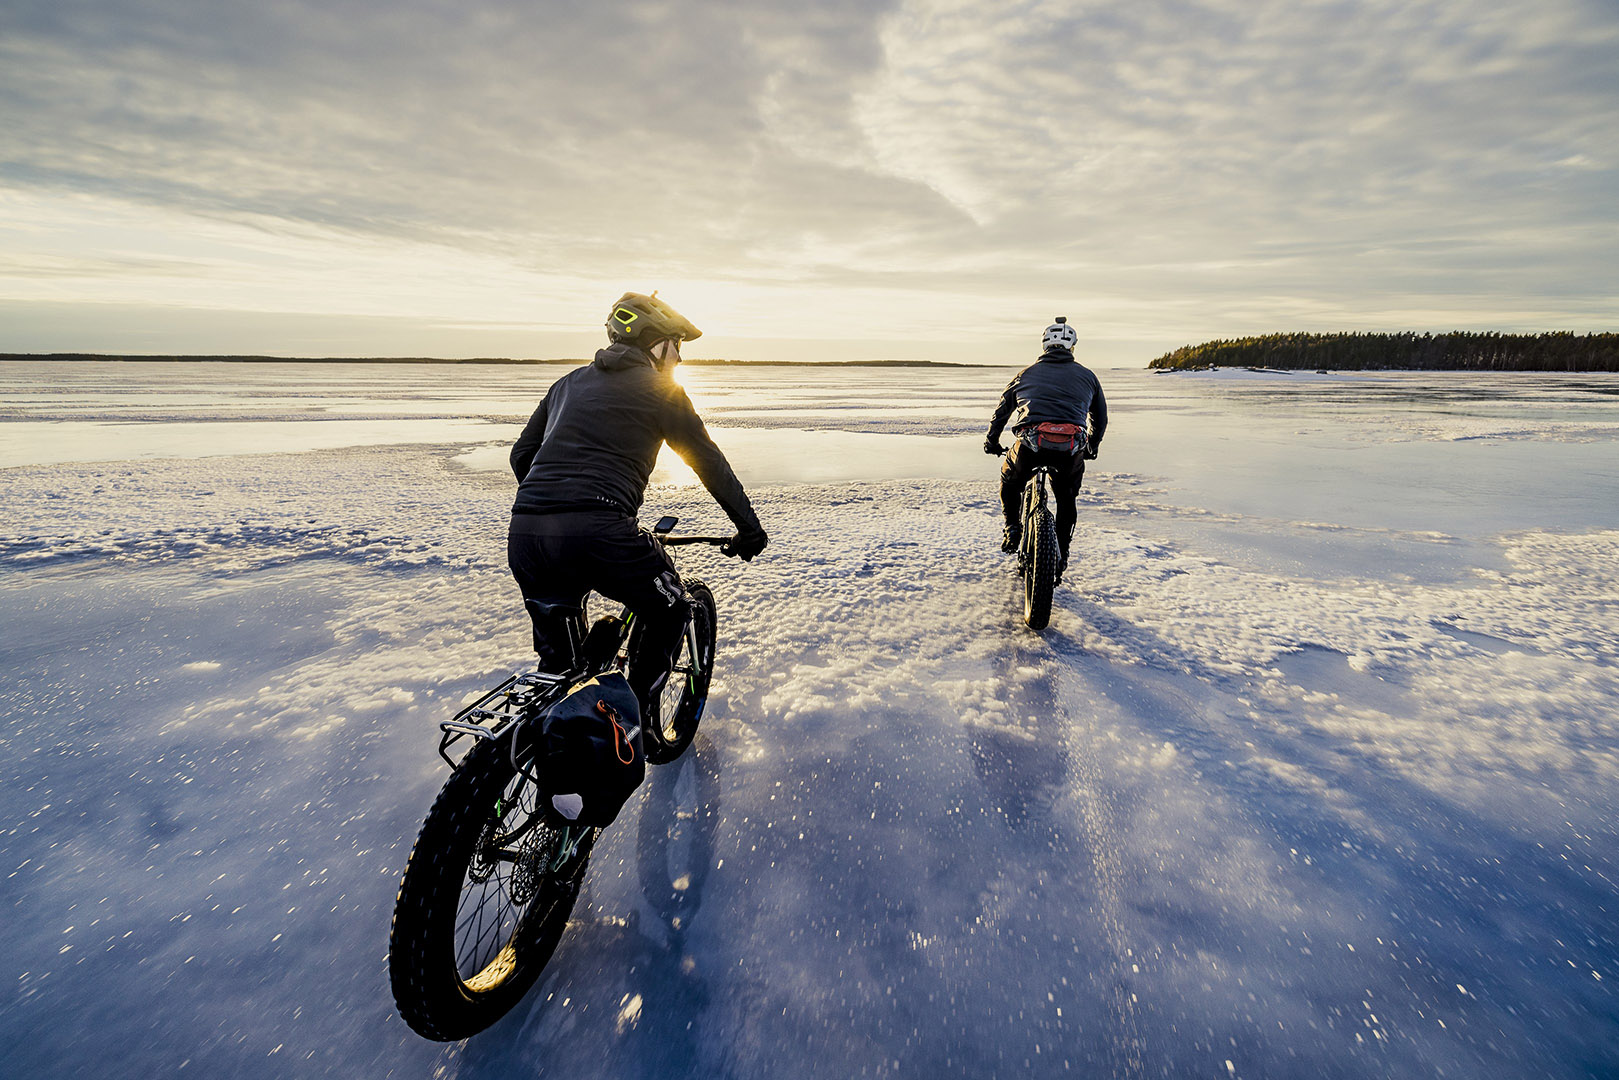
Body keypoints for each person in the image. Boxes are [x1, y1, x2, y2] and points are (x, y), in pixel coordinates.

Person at [508, 291, 768, 711]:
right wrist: (749, 529)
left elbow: (521, 456)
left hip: (527, 536)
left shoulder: (566, 384)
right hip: (602, 536)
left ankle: (540, 745)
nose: (680, 359)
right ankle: (642, 721)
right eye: (677, 345)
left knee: (560, 670)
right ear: (656, 343)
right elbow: (708, 462)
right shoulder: (662, 390)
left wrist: (556, 506)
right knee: (671, 608)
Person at [983, 316, 1107, 578]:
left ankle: (1012, 528)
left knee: (1010, 482)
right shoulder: (1088, 376)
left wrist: (992, 441)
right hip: (1070, 449)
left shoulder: (1025, 374)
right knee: (1066, 499)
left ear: (1044, 346)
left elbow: (1001, 412)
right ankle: (1061, 554)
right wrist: (1092, 445)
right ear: (1072, 347)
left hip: (1030, 446)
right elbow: (1100, 418)